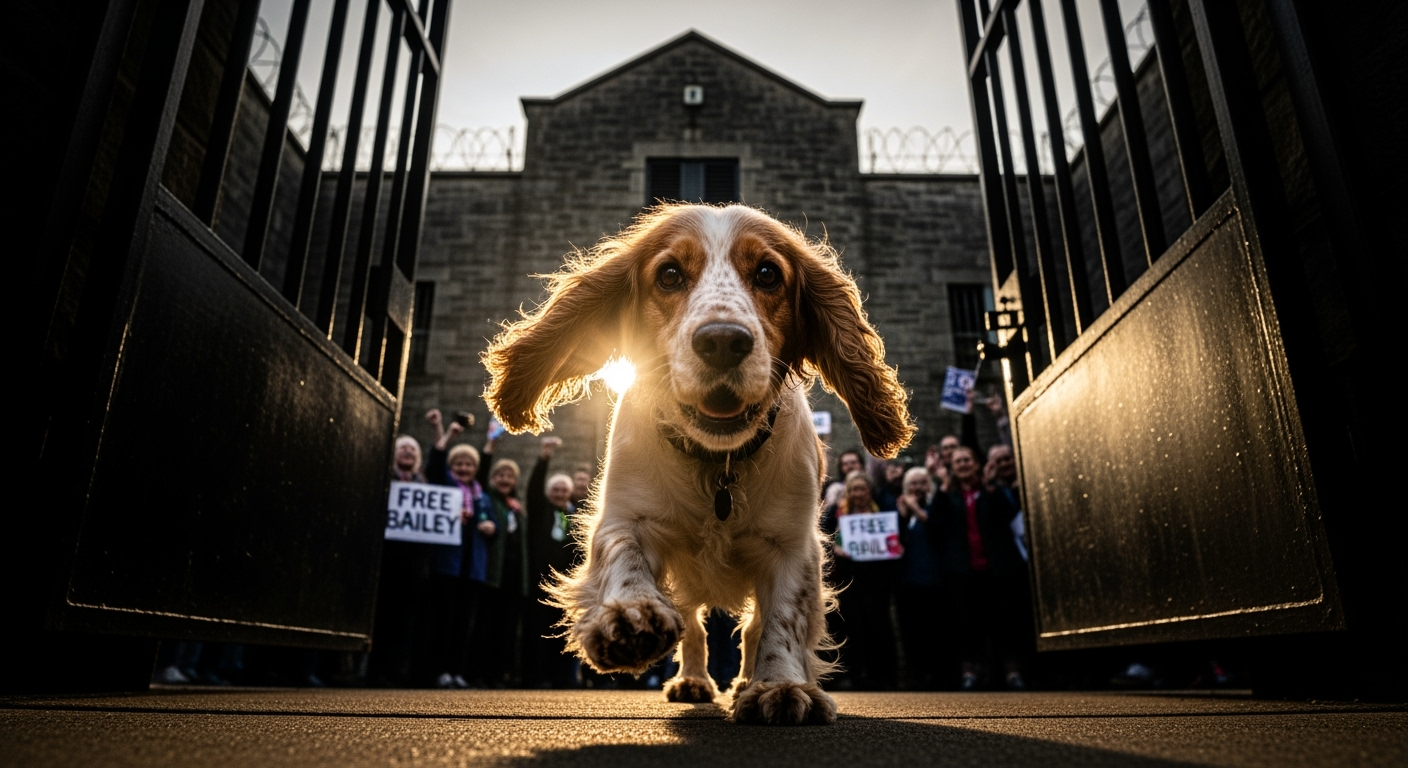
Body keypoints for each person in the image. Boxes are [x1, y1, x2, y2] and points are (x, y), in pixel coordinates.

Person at [927, 446, 1031, 690]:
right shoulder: (949, 495)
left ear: (976, 464)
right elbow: (935, 526)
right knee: (966, 623)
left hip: (996, 569)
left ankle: (1011, 671)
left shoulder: (992, 491)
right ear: (952, 468)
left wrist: (991, 487)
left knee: (1003, 622)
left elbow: (1008, 518)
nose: (963, 464)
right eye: (958, 462)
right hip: (962, 571)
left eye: (967, 460)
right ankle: (970, 671)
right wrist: (942, 488)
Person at [423, 409, 496, 688]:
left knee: (465, 622)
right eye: (459, 464)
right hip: (447, 565)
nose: (464, 469)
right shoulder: (445, 486)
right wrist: (445, 433)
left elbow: (494, 527)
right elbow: (434, 465)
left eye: (469, 464)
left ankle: (457, 671)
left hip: (472, 567)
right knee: (443, 619)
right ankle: (438, 670)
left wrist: (491, 528)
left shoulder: (481, 495)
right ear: (451, 467)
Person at [820, 470, 899, 690]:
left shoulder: (881, 511)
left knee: (879, 625)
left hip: (877, 580)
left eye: (862, 489)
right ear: (848, 492)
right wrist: (835, 547)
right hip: (848, 580)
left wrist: (894, 545)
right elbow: (824, 538)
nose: (858, 494)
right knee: (852, 627)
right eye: (854, 489)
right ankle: (856, 674)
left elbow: (894, 538)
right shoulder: (837, 513)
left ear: (869, 491)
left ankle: (883, 676)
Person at [369, 432, 434, 686]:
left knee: (406, 620)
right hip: (386, 560)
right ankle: (374, 672)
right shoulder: (383, 479)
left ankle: (397, 672)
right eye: (403, 448)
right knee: (381, 616)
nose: (408, 452)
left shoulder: (426, 485)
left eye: (413, 449)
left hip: (414, 564)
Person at [524, 436, 581, 688]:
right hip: (540, 581)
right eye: (555, 490)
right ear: (549, 493)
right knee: (538, 629)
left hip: (565, 583)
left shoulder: (571, 515)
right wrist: (544, 459)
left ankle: (561, 677)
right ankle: (536, 676)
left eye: (563, 490)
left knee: (562, 629)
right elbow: (533, 489)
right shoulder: (541, 510)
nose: (559, 493)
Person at [473, 430, 528, 687]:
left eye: (509, 476)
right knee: (486, 625)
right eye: (500, 475)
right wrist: (491, 445)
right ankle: (480, 673)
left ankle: (499, 674)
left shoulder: (517, 508)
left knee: (507, 628)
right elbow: (482, 472)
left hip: (514, 579)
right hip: (492, 575)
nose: (505, 479)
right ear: (493, 479)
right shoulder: (487, 498)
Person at [894, 466, 940, 689]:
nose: (918, 487)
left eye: (922, 482)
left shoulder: (935, 506)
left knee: (934, 631)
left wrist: (916, 509)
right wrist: (904, 516)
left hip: (934, 581)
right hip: (908, 583)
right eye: (913, 483)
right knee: (912, 633)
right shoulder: (901, 513)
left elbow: (938, 530)